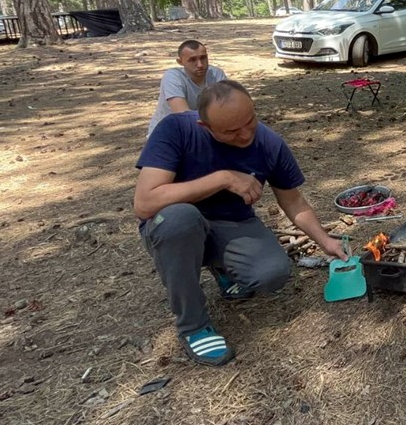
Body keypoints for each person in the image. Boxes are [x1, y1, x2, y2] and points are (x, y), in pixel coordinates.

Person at [133, 80, 347, 366]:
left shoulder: (269, 143)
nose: (246, 134)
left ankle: (221, 268)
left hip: (230, 223)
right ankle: (193, 326)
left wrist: (326, 241)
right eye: (232, 131)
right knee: (181, 220)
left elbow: (293, 202)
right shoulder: (176, 129)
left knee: (272, 273)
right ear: (205, 126)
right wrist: (224, 177)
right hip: (173, 225)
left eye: (250, 121)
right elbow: (145, 203)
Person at [147, 40, 227, 137]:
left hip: (202, 131)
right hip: (168, 133)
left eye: (203, 58)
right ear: (180, 62)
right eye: (192, 60)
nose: (200, 64)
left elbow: (227, 105)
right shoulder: (173, 77)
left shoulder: (216, 74)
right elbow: (184, 115)